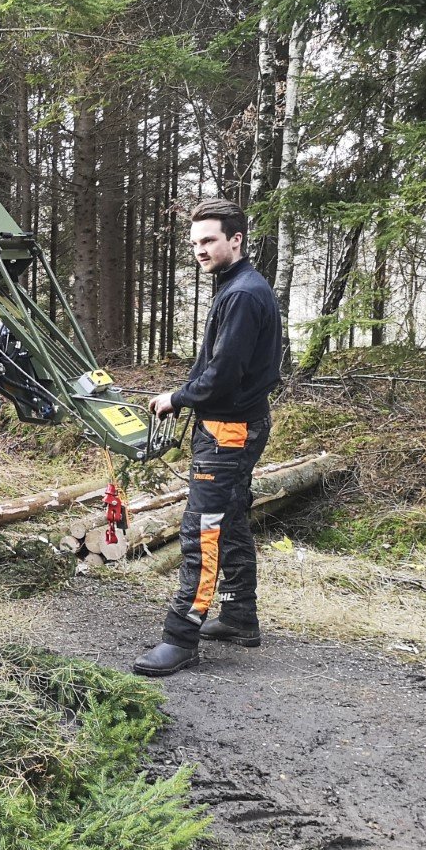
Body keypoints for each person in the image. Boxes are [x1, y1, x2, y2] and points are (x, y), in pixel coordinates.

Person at [133, 198, 282, 677]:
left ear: (235, 239)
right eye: (195, 242)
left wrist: (177, 397)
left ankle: (180, 637)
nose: (200, 249)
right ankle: (239, 615)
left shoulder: (241, 294)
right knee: (232, 517)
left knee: (205, 529)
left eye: (209, 240)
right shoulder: (238, 287)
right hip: (236, 424)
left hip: (227, 430)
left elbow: (222, 374)